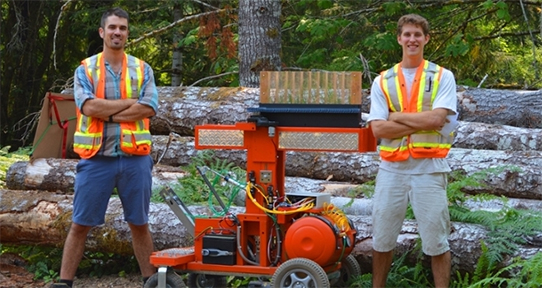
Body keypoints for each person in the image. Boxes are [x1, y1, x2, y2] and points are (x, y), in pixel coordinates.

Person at [51, 7, 158, 288]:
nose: (117, 32)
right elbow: (88, 106)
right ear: (102, 32)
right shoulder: (86, 69)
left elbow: (148, 107)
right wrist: (127, 104)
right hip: (96, 159)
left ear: (127, 33)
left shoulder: (142, 68)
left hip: (135, 159)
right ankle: (64, 283)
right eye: (112, 27)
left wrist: (107, 112)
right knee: (80, 224)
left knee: (139, 223)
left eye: (122, 28)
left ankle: (151, 282)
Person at [367, 14, 457, 288]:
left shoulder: (443, 76)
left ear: (426, 39)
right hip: (391, 169)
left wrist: (394, 117)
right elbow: (378, 131)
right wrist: (415, 120)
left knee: (436, 241)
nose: (412, 39)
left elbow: (436, 120)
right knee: (382, 238)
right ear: (399, 38)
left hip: (429, 169)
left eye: (417, 34)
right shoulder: (383, 80)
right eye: (407, 34)